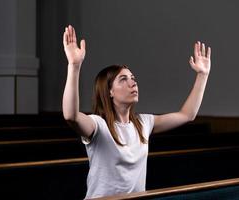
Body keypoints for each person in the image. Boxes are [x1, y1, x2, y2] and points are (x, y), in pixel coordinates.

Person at [62, 25, 211, 199]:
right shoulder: (98, 125)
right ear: (109, 91)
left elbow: (187, 115)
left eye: (133, 78)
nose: (133, 83)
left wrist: (203, 75)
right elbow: (70, 116)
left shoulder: (143, 123)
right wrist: (74, 66)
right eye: (123, 79)